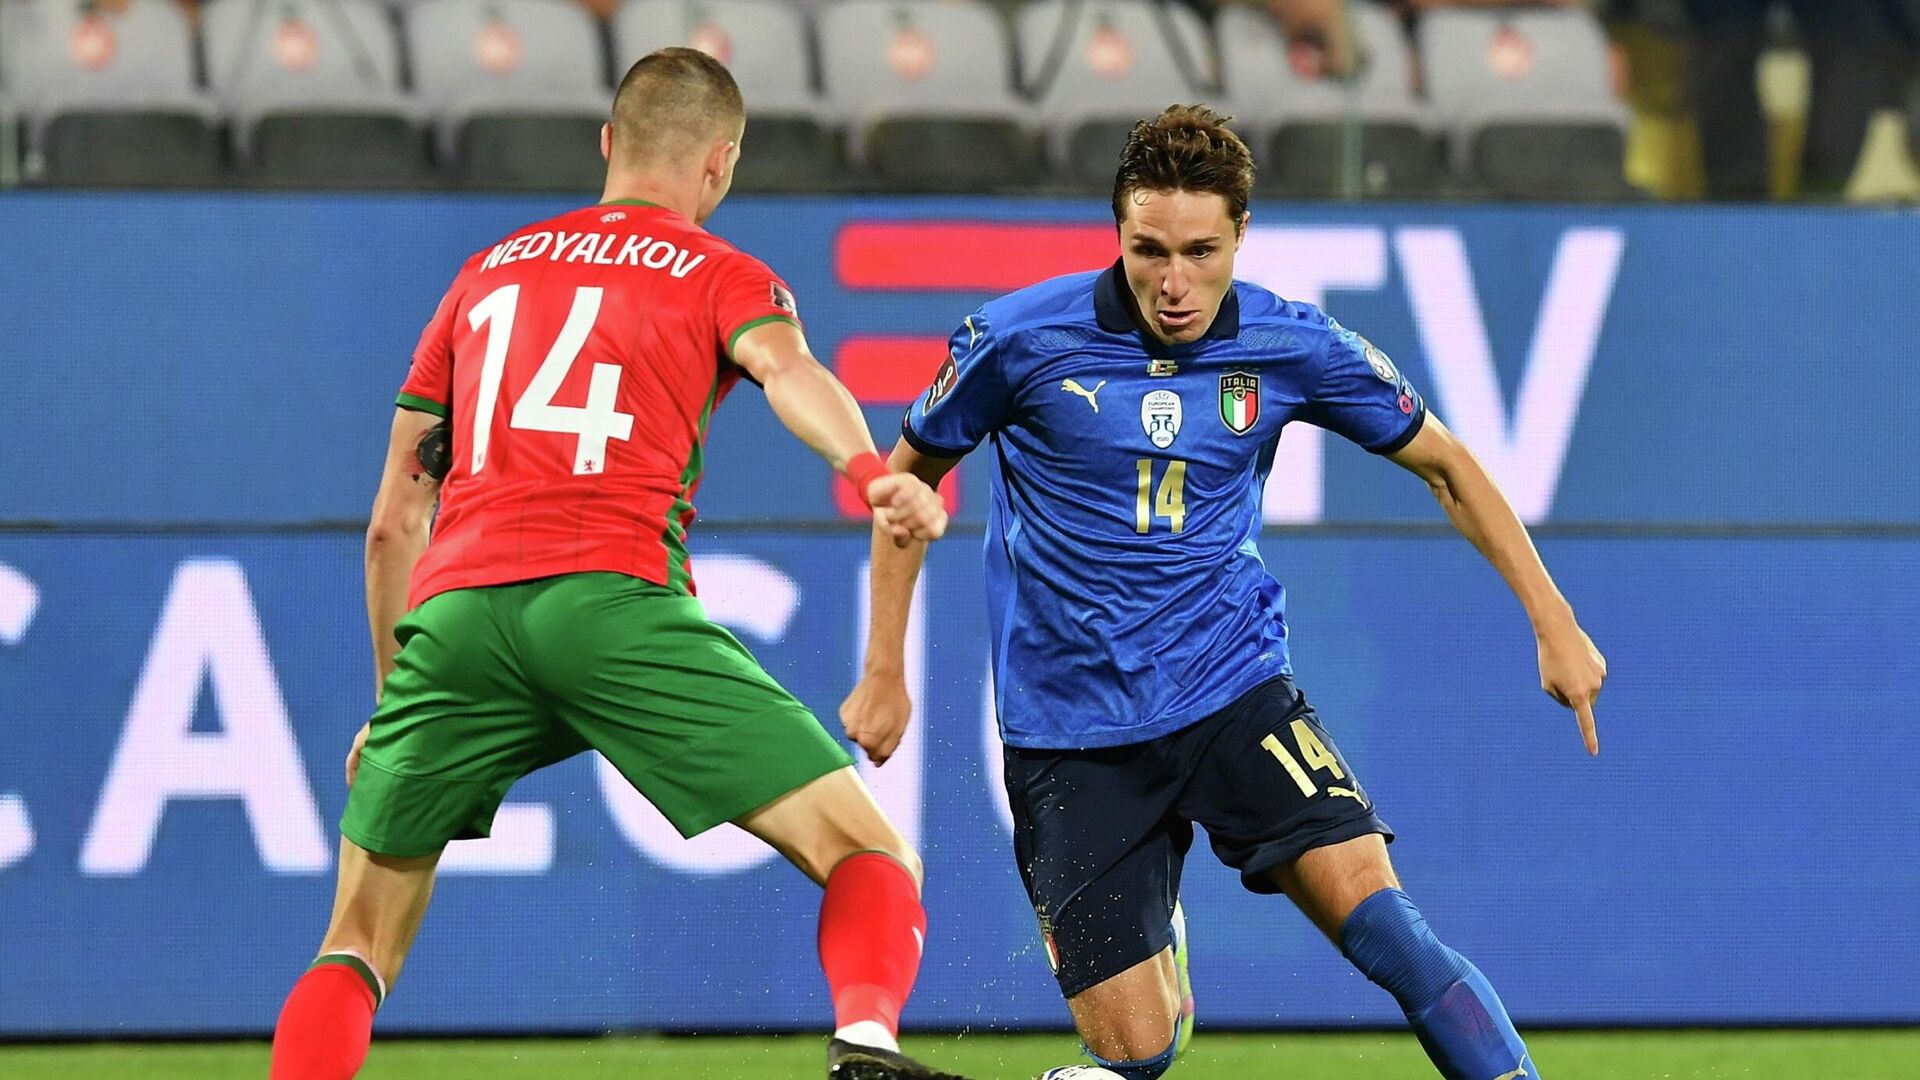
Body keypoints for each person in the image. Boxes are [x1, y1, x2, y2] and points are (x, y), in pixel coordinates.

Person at [842, 104, 1606, 1080]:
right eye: (1147, 250)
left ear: (1241, 233)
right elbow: (902, 490)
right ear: (1116, 231)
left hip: (1232, 693)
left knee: (1392, 936)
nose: (1173, 283)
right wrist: (884, 673)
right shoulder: (1017, 340)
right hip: (1071, 736)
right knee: (1138, 1056)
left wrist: (1555, 621)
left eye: (1200, 251)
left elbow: (1449, 464)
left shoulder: (1293, 346)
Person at [269, 47, 968, 1080]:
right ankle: (866, 1044)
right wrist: (867, 470)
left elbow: (391, 520)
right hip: (609, 601)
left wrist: (390, 702)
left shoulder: (484, 276)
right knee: (871, 855)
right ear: (720, 165)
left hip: (456, 621)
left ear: (608, 143)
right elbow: (788, 370)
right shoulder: (725, 274)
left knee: (356, 942)